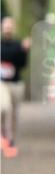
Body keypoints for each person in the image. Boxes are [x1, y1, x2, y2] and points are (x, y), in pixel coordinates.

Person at [1, 16, 30, 158]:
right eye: (5, 26)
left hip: (16, 83)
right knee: (4, 108)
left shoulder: (19, 45)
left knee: (13, 114)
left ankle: (10, 140)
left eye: (10, 26)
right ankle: (4, 137)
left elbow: (23, 64)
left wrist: (25, 51)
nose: (7, 29)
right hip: (2, 83)